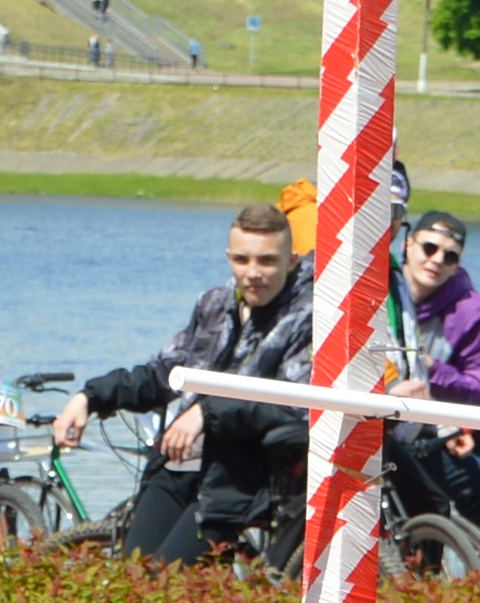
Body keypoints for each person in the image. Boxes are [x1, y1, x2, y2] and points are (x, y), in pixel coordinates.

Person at [52, 203, 311, 565]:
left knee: (166, 577)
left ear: (291, 260)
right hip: (178, 464)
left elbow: (293, 406)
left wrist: (207, 412)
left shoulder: (306, 316)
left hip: (240, 480)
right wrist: (89, 397)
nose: (253, 273)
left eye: (267, 261)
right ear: (228, 257)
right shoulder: (214, 305)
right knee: (134, 576)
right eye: (242, 260)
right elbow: (163, 373)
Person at [393, 209, 480, 537]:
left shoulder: (473, 312)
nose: (437, 260)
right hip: (379, 423)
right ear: (408, 244)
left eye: (450, 256)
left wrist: (431, 370)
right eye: (429, 248)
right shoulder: (381, 289)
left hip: (431, 436)